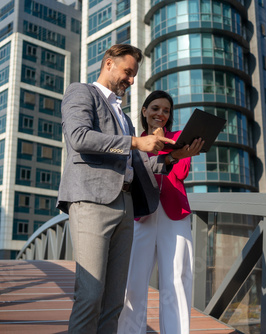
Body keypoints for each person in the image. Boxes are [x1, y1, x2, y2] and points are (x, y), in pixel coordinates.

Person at [56, 45, 203, 334]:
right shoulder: (81, 91)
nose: (132, 80)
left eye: (134, 75)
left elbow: (140, 168)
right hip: (92, 201)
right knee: (90, 295)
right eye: (128, 72)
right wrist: (136, 143)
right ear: (109, 63)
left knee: (113, 301)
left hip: (126, 206)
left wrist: (175, 156)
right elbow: (79, 137)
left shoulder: (122, 117)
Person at [117, 90, 201, 334]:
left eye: (166, 110)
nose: (160, 114)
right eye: (155, 108)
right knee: (132, 283)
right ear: (144, 111)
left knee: (176, 281)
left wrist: (169, 148)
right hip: (141, 215)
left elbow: (181, 173)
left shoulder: (179, 138)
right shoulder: (135, 142)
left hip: (175, 216)